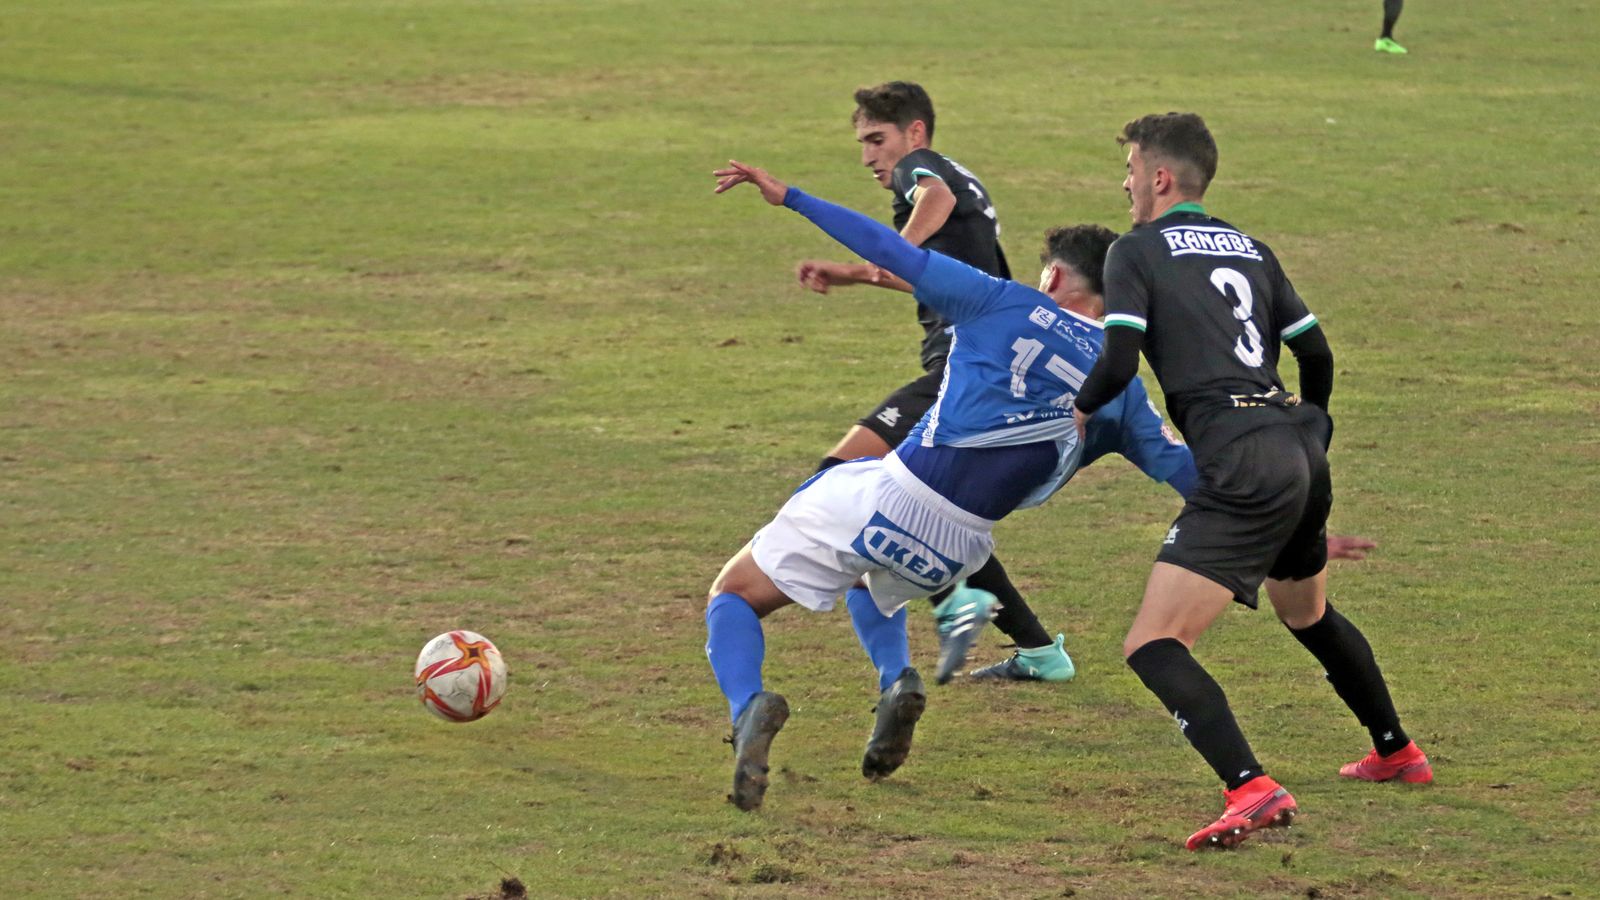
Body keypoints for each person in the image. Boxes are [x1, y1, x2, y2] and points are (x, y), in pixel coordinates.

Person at [706, 160, 1123, 811]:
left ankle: (747, 707)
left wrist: (788, 195)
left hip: (906, 483)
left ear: (1055, 277)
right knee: (870, 566)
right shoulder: (1122, 373)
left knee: (734, 591)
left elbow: (890, 245)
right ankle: (896, 678)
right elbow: (1177, 456)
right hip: (962, 544)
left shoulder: (1000, 297)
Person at [1071, 112, 1431, 851]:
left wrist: (1075, 411)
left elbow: (1117, 363)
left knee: (1153, 642)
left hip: (1241, 459)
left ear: (1160, 177)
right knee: (1306, 612)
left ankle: (1250, 786)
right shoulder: (1251, 248)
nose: (1127, 182)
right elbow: (1318, 355)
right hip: (1298, 446)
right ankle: (1396, 751)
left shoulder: (1135, 251)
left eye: (1132, 169)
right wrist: (1315, 430)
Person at [796, 81, 1076, 686]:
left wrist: (894, 248)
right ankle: (1031, 647)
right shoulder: (959, 174)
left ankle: (922, 641)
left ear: (914, 134)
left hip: (962, 369)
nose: (869, 155)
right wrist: (854, 273)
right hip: (979, 363)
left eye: (878, 139)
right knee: (937, 514)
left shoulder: (922, 171)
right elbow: (942, 276)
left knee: (837, 478)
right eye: (862, 143)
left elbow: (936, 200)